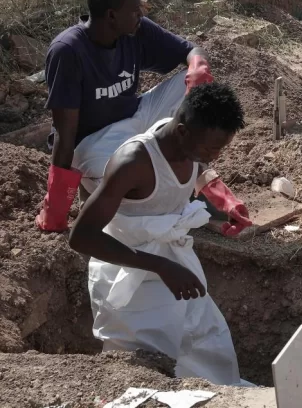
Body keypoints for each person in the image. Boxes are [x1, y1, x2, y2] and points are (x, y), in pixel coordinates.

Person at [37, 0, 250, 238]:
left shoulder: (135, 31)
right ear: (112, 15)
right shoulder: (68, 51)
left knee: (192, 85)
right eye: (135, 10)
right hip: (94, 142)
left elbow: (191, 50)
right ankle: (181, 200)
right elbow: (65, 133)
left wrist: (199, 68)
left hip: (136, 115)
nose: (141, 14)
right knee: (134, 188)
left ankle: (199, 188)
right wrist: (56, 206)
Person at [69, 82, 246, 385]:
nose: (215, 156)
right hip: (129, 280)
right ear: (182, 132)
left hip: (174, 264)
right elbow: (81, 236)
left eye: (220, 148)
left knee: (205, 342)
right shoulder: (133, 163)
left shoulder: (186, 141)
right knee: (145, 372)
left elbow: (197, 166)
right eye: (211, 148)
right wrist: (160, 266)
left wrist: (223, 200)